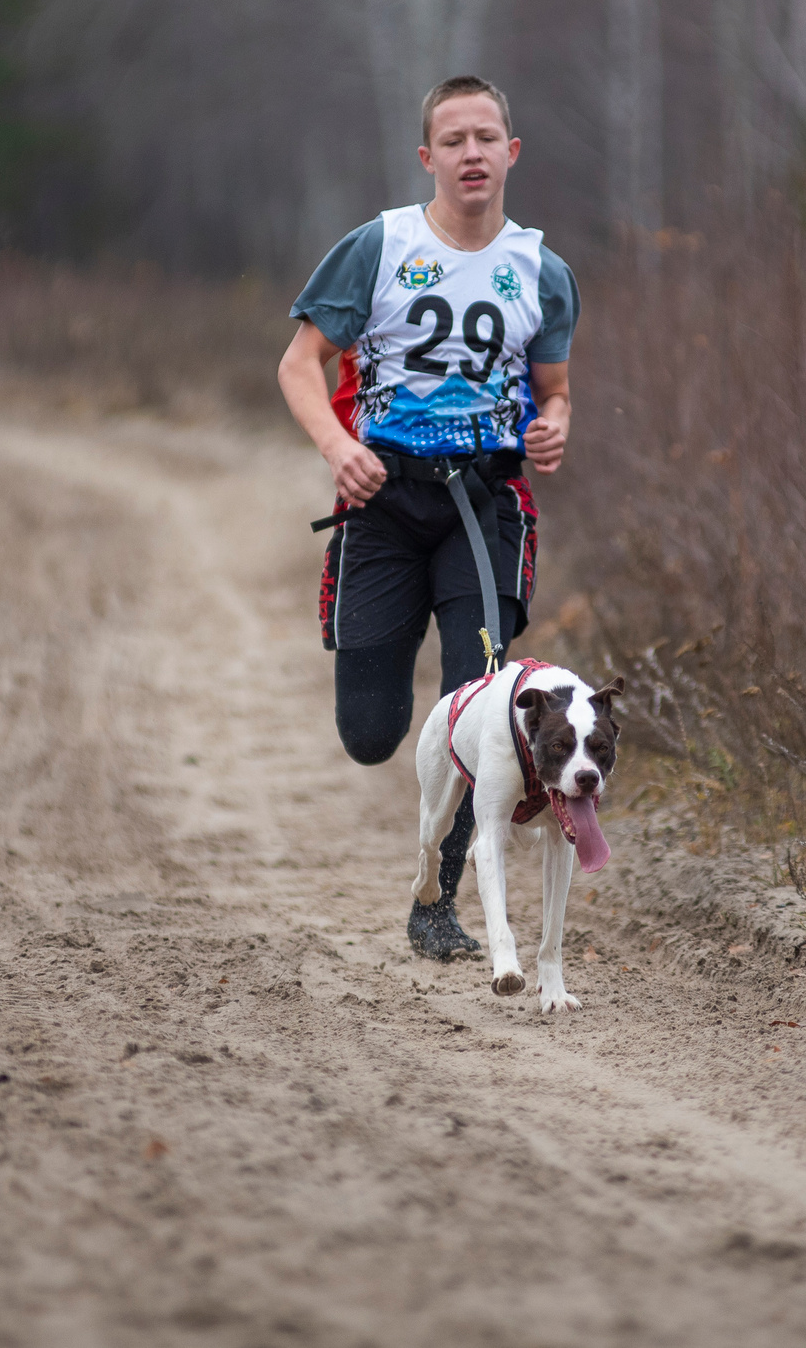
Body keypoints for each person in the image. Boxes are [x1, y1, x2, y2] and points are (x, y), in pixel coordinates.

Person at [278, 75, 578, 960]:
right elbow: (299, 364)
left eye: (488, 137)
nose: (473, 153)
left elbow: (554, 392)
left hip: (483, 509)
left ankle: (435, 902)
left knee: (478, 714)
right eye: (454, 140)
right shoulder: (379, 247)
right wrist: (340, 450)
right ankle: (415, 810)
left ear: (512, 152)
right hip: (382, 501)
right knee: (371, 733)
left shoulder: (543, 270)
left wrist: (555, 425)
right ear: (428, 158)